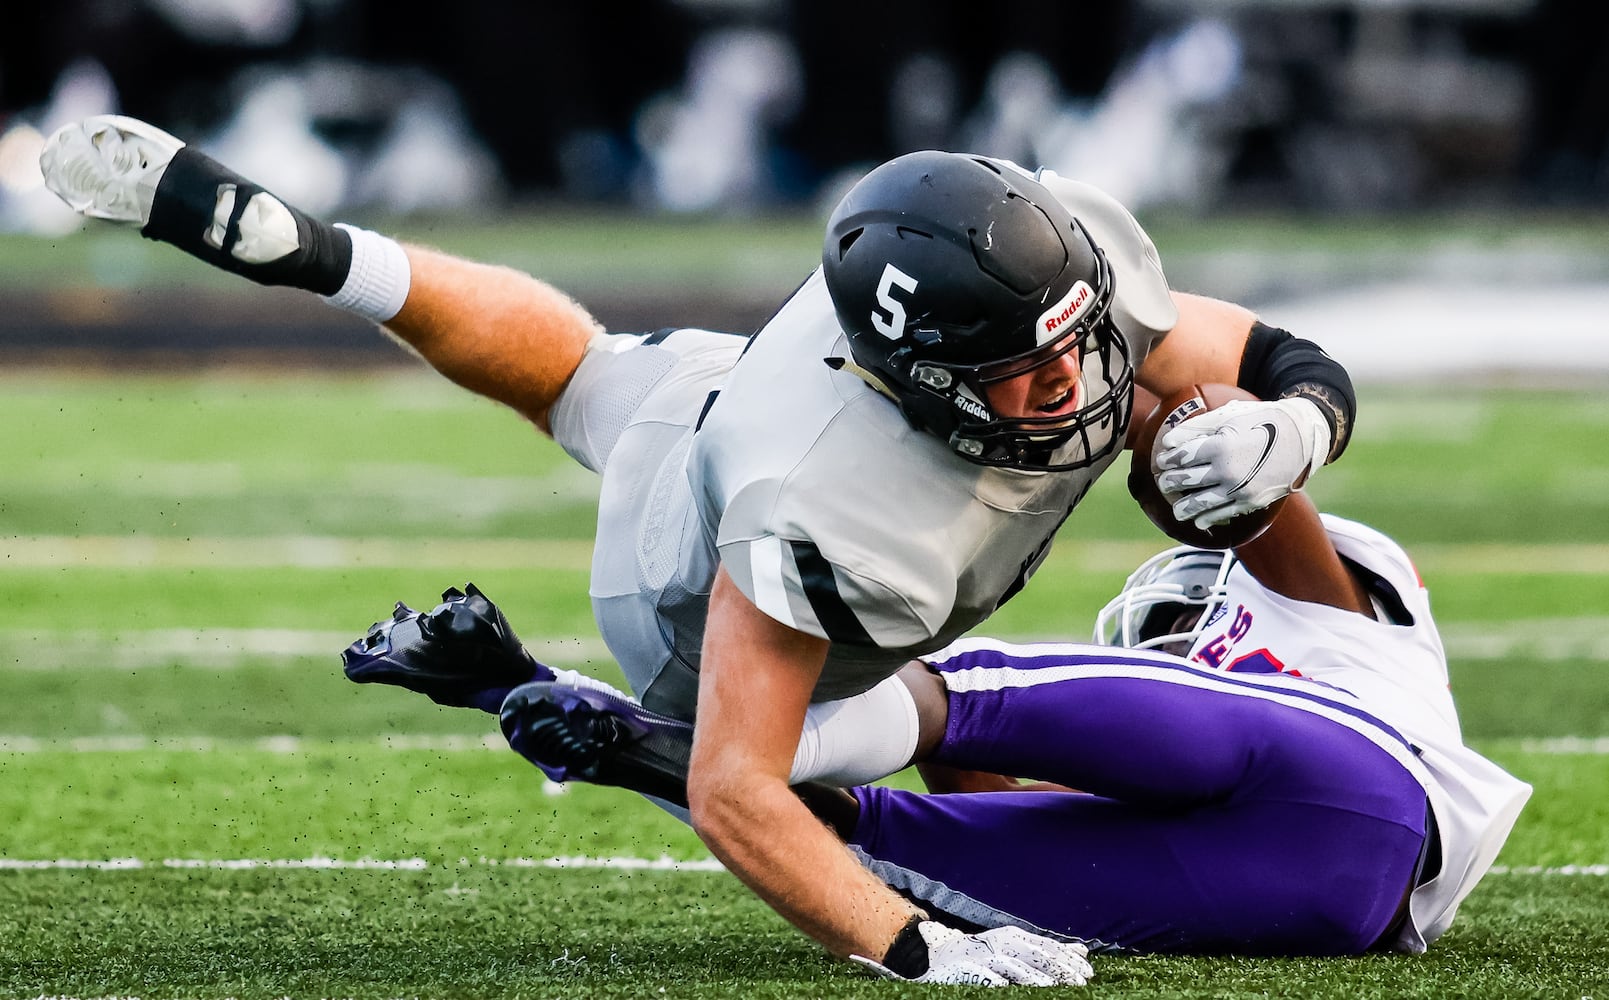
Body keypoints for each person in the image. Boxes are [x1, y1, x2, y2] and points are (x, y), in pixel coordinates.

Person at [42, 115, 1360, 984]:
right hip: (677, 576)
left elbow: (1260, 354)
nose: (1069, 382)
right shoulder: (828, 501)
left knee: (580, 374)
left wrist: (1294, 427)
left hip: (720, 388)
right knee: (904, 748)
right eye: (1021, 373)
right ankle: (555, 699)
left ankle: (322, 253)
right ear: (920, 381)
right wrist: (908, 949)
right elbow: (736, 793)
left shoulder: (1041, 266)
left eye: (1070, 339)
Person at [401, 488, 1528, 962]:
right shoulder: (1180, 682)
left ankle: (735, 740)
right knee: (886, 858)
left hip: (1365, 772)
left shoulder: (1332, 619)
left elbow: (1249, 497)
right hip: (1330, 899)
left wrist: (1224, 423)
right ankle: (525, 689)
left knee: (959, 683)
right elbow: (1018, 811)